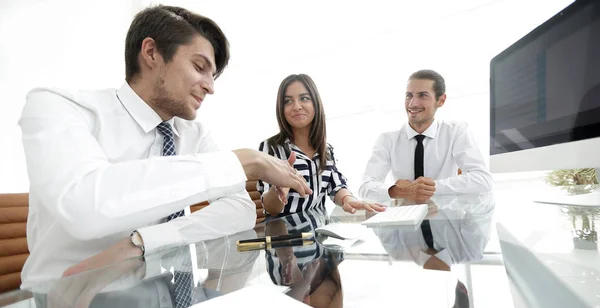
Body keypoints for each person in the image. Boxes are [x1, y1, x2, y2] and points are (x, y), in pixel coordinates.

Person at [19, 5, 311, 288]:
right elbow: (85, 208)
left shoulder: (193, 134)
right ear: (151, 53)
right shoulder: (58, 106)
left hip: (169, 285)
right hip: (73, 300)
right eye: (200, 67)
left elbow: (240, 209)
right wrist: (243, 161)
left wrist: (143, 242)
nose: (210, 87)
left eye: (213, 76)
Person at [258, 74, 385, 216]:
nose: (297, 106)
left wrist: (347, 199)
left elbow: (336, 186)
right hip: (283, 234)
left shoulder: (325, 149)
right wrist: (279, 190)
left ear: (315, 103)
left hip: (317, 232)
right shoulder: (270, 147)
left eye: (304, 98)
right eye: (288, 101)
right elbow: (270, 208)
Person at [359, 69, 493, 203]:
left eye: (422, 95)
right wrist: (399, 191)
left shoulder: (455, 132)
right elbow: (365, 188)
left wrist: (430, 188)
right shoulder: (387, 139)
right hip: (404, 219)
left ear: (441, 100)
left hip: (445, 219)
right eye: (409, 96)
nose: (412, 103)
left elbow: (482, 179)